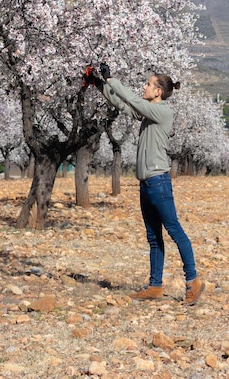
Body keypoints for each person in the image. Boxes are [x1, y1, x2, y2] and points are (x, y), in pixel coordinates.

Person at [85, 62, 204, 305]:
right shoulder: (149, 113)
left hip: (159, 182)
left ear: (158, 91)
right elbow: (122, 104)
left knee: (174, 231)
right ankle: (155, 286)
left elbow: (133, 101)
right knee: (154, 237)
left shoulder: (163, 112)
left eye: (149, 84)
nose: (145, 86)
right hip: (147, 184)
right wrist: (98, 84)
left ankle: (193, 281)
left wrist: (112, 80)